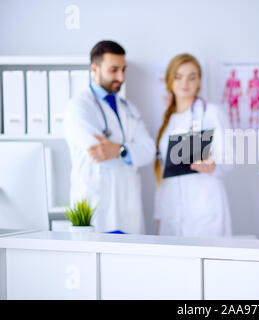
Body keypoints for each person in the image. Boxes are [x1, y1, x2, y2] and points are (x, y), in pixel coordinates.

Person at [64, 40, 156, 234]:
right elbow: (97, 150)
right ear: (94, 68)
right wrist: (130, 151)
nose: (120, 77)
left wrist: (119, 150)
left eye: (123, 69)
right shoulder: (79, 106)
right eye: (113, 70)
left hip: (129, 209)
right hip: (97, 207)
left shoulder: (129, 108)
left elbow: (149, 150)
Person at [154, 53, 232, 237]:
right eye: (178, 76)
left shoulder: (212, 113)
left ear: (199, 81)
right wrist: (159, 219)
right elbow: (162, 174)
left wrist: (213, 167)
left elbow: (230, 160)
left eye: (192, 77)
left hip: (205, 209)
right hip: (171, 211)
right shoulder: (167, 120)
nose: (185, 83)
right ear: (169, 81)